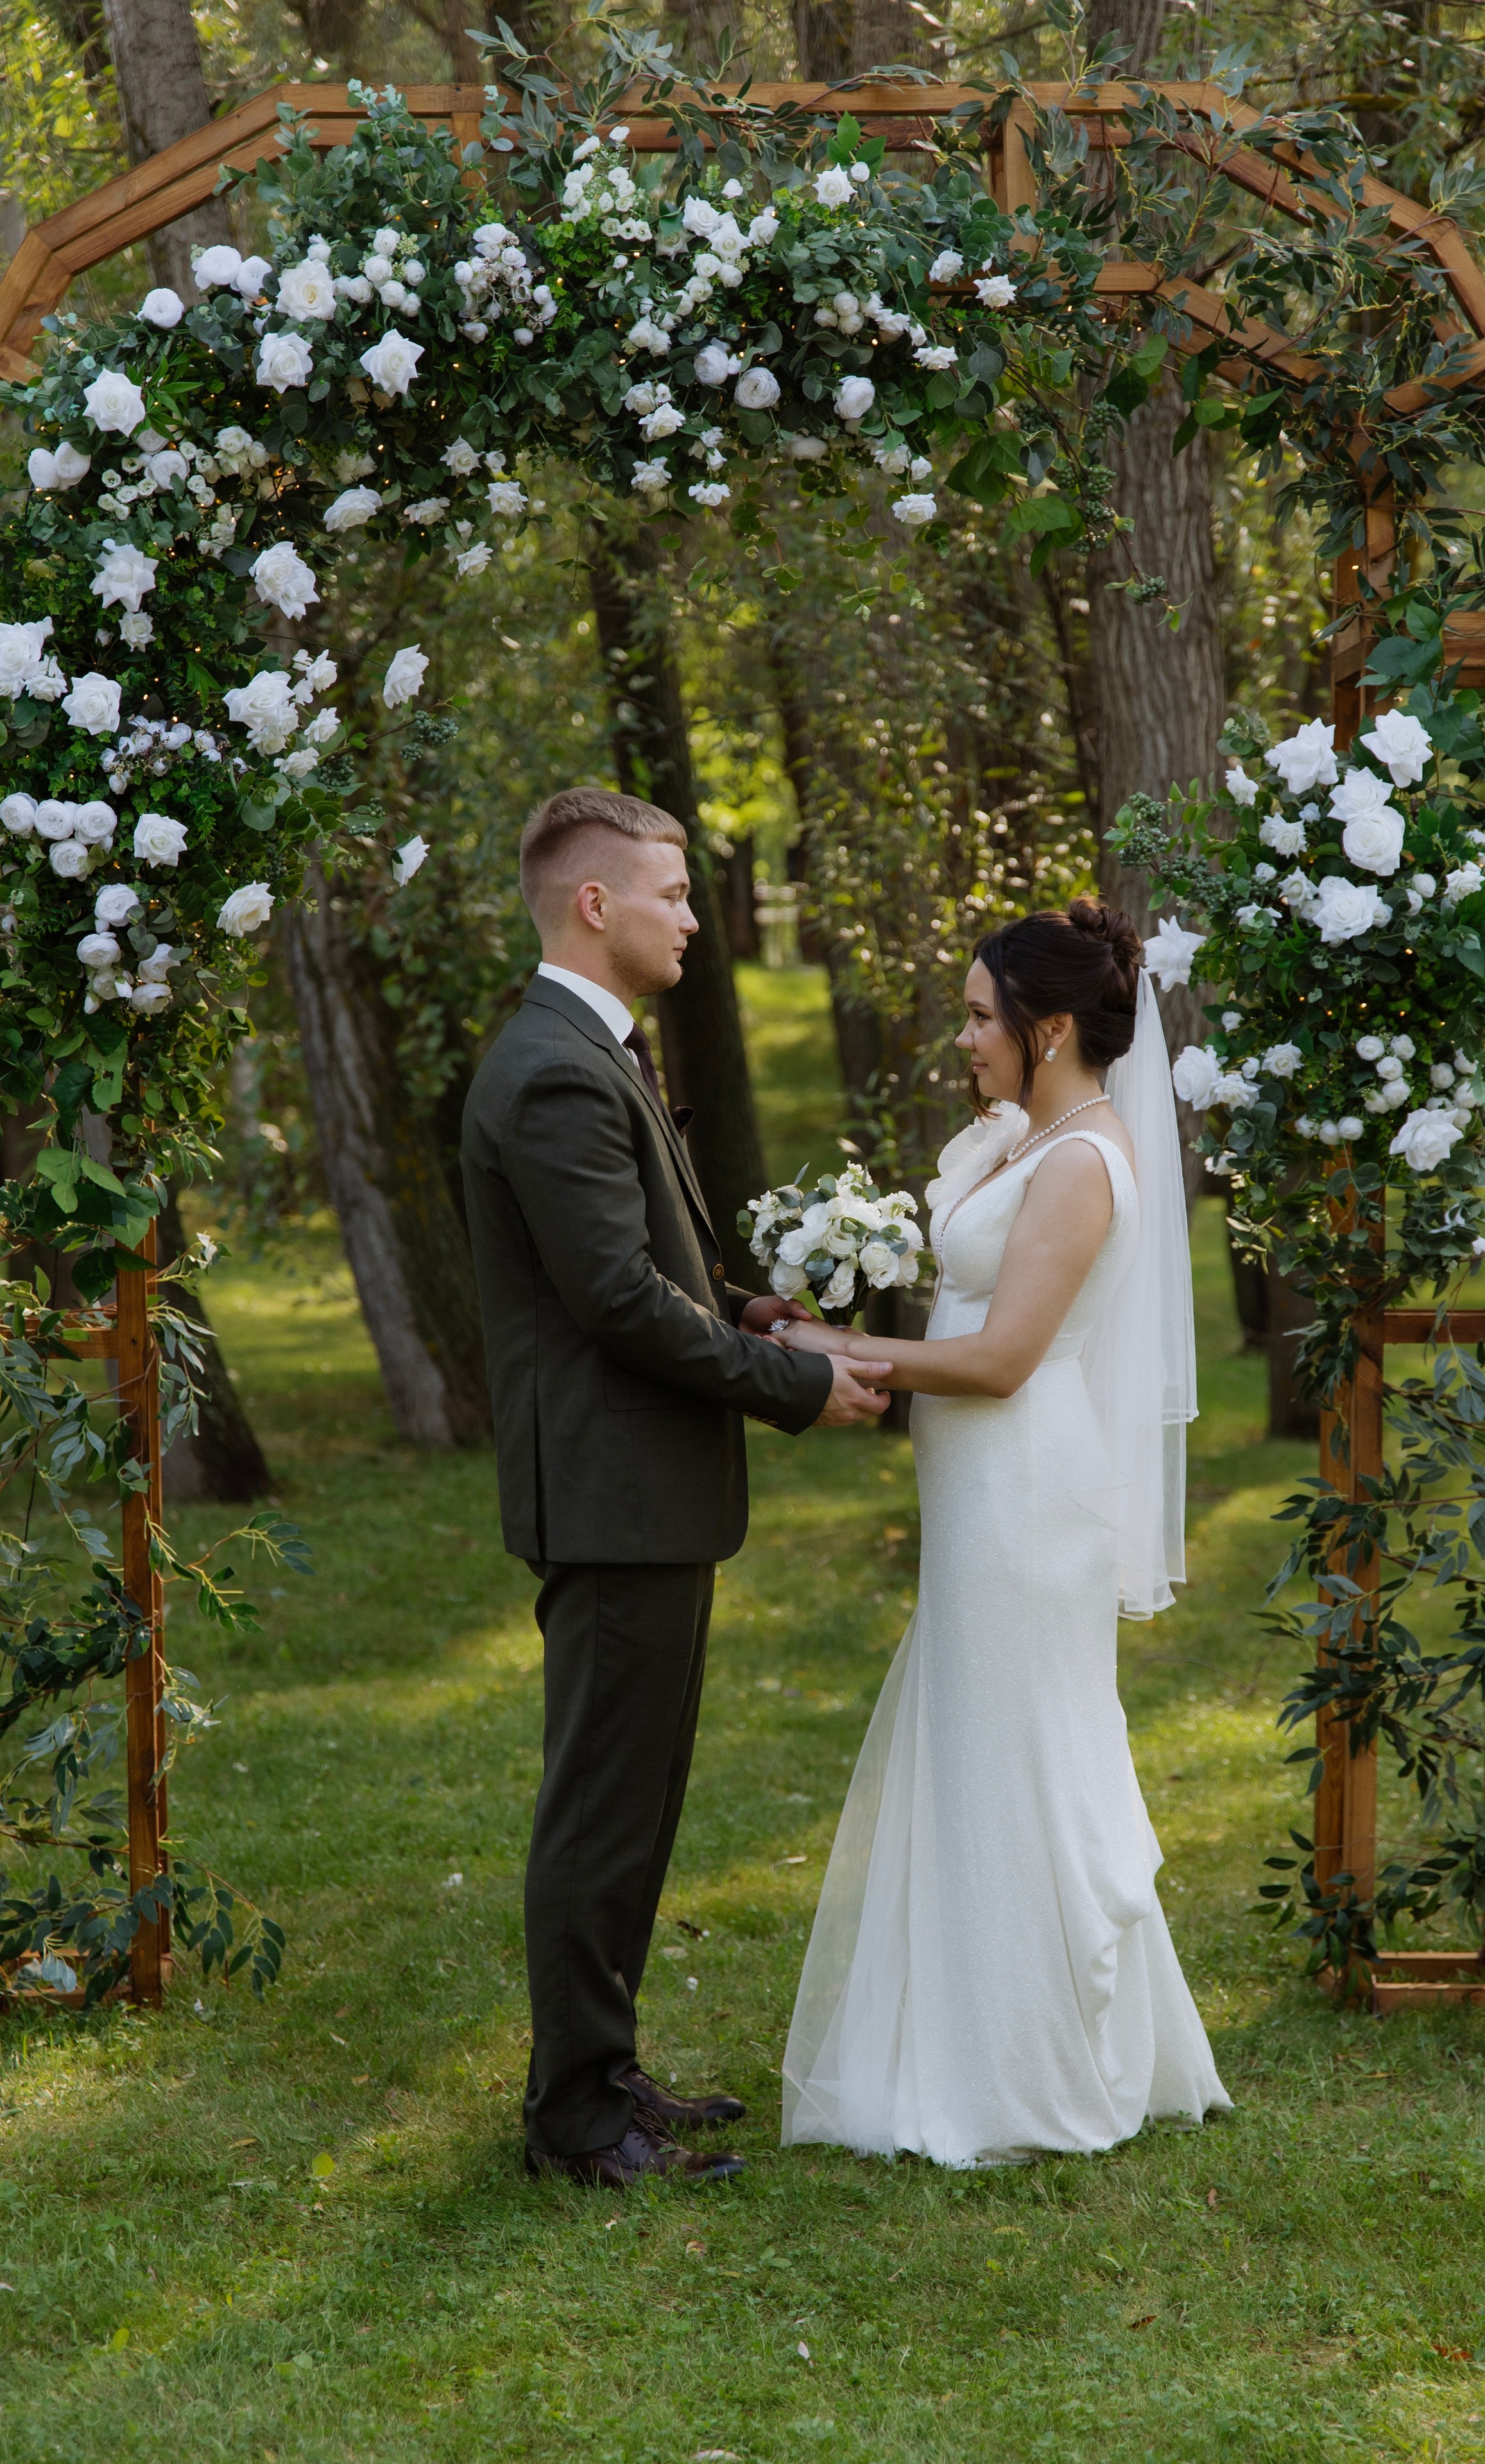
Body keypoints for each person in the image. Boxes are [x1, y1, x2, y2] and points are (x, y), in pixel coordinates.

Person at [461, 786, 893, 2190]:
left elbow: (660, 1272)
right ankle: (576, 2123)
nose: (696, 919)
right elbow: (613, 1303)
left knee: (633, 1802)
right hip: (607, 1495)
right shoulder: (552, 1070)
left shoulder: (592, 1056)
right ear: (595, 904)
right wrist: (792, 1388)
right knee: (600, 1807)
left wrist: (761, 1315)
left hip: (640, 1494)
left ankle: (605, 2073)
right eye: (673, 894)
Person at [775, 900, 1231, 2166]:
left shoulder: (1083, 1163)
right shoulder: (1036, 1138)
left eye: (981, 1018)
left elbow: (1004, 1359)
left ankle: (1025, 2073)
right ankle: (963, 2045)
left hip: (1027, 1502)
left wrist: (836, 1348)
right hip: (978, 1501)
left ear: (1049, 1028)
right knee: (980, 1749)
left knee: (1021, 1754)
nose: (962, 1038)